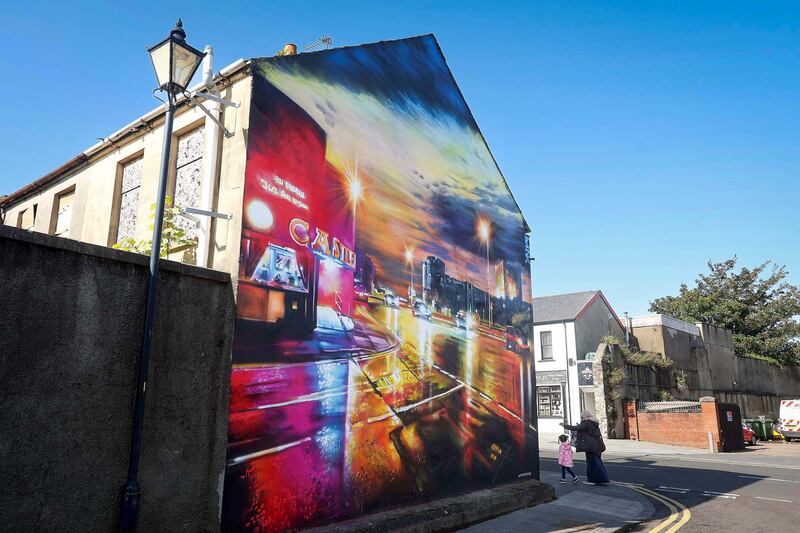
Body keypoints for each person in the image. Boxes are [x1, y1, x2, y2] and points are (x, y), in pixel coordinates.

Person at [560, 410, 610, 484]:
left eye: (582, 416)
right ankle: (602, 479)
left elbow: (576, 428)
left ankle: (593, 480)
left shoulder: (586, 423)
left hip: (590, 446)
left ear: (584, 416)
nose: (581, 418)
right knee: (597, 462)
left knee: (591, 464)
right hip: (596, 445)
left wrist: (564, 425)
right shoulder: (594, 422)